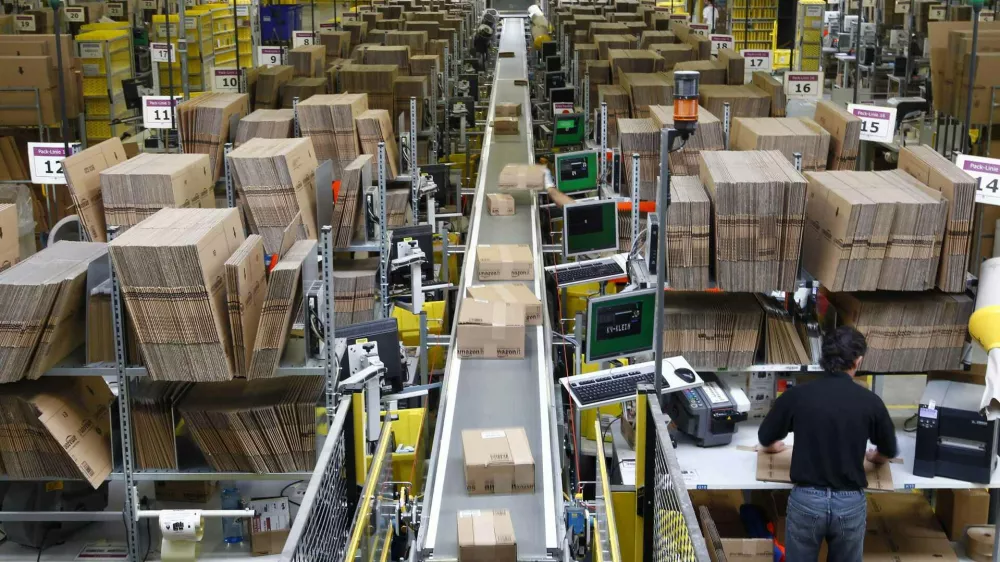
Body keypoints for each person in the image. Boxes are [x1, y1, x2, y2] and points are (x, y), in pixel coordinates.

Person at [758, 326, 897, 562]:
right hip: (849, 503)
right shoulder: (870, 402)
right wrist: (876, 458)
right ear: (858, 360)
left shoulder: (798, 395)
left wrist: (772, 447)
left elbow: (765, 436)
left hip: (806, 501)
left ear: (822, 358)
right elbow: (889, 449)